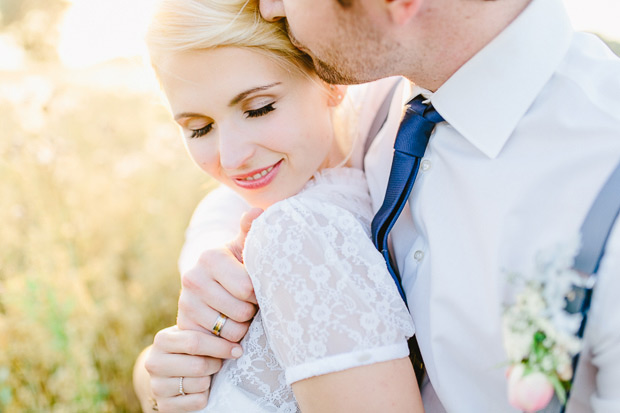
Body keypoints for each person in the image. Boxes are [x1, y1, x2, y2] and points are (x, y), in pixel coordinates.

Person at [146, 0, 620, 411]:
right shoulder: (386, 92)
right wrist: (209, 265)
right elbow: (280, 184)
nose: (268, 6)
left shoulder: (601, 200)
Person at [136, 0, 424, 411]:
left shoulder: (301, 229)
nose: (231, 157)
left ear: (329, 77)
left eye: (259, 109)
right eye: (199, 128)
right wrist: (158, 376)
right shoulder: (243, 214)